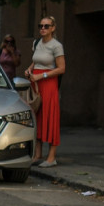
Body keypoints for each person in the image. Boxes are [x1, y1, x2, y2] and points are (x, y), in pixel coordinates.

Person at [24, 16, 65, 167]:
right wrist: (29, 69)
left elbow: (61, 68)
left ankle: (51, 157)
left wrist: (42, 75)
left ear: (53, 28)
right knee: (37, 117)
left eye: (46, 26)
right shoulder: (37, 43)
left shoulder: (56, 46)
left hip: (48, 84)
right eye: (40, 26)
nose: (43, 28)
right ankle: (38, 154)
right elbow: (36, 61)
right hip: (36, 83)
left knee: (50, 117)